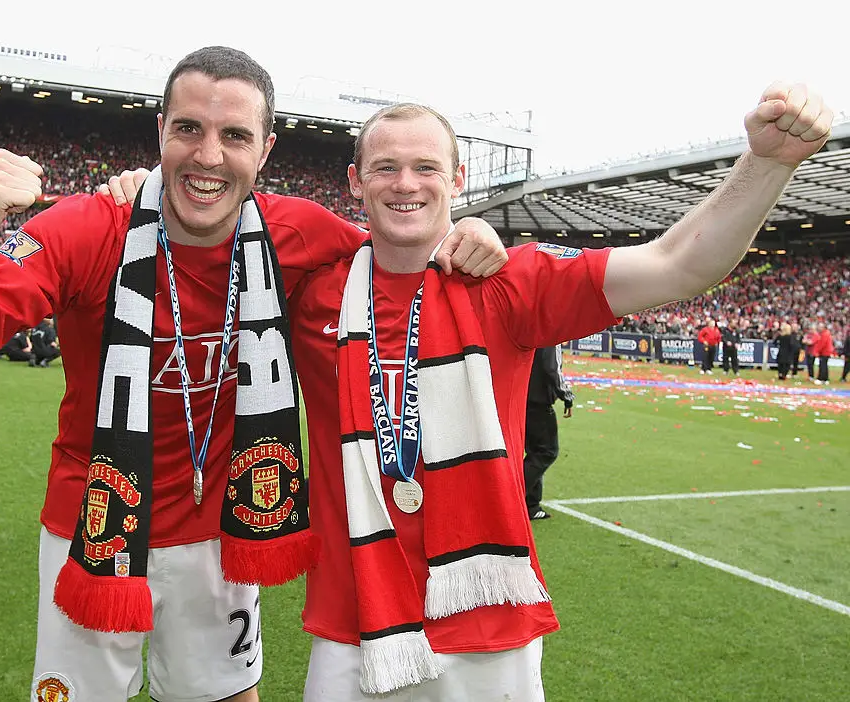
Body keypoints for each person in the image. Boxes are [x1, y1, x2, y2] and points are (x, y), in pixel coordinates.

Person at [0, 46, 508, 702]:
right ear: (160, 134)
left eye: (233, 135)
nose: (209, 155)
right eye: (188, 129)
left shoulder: (301, 233)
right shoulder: (86, 229)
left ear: (264, 150)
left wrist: (462, 234)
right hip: (93, 528)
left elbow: (401, 250)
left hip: (222, 535)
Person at [273, 81, 828, 701]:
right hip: (351, 621)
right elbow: (208, 235)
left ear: (457, 179)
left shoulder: (511, 280)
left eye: (426, 167)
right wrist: (140, 192)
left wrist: (768, 163)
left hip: (487, 622)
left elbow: (678, 264)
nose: (406, 183)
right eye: (386, 168)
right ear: (354, 181)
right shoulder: (311, 293)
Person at [523, 344, 574, 520]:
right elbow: (551, 365)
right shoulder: (550, 331)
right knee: (546, 452)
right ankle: (513, 496)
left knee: (535, 452)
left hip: (521, 395)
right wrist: (566, 395)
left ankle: (532, 505)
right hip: (538, 399)